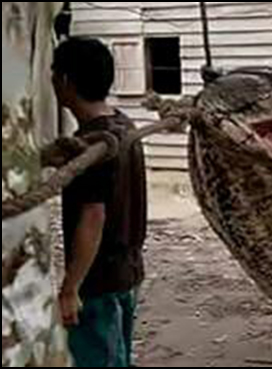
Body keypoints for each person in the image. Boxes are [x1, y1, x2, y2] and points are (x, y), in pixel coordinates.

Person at [52, 37, 147, 367]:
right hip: (128, 272)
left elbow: (94, 216)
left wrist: (70, 288)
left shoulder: (92, 146)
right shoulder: (124, 126)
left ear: (64, 81)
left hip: (99, 281)